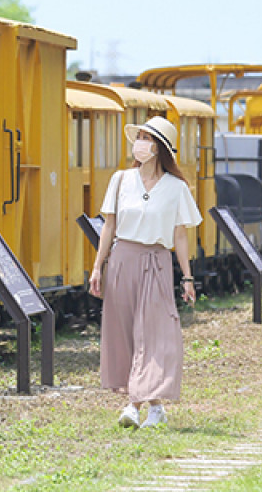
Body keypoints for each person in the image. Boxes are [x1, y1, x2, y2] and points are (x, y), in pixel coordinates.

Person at [89, 116, 200, 429]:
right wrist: (98, 266)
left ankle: (133, 406)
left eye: (146, 138)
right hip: (122, 259)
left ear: (159, 147)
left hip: (157, 261)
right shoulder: (121, 180)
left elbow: (180, 235)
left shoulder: (177, 188)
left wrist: (187, 276)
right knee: (124, 334)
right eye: (138, 137)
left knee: (153, 334)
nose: (139, 144)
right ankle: (155, 408)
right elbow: (109, 226)